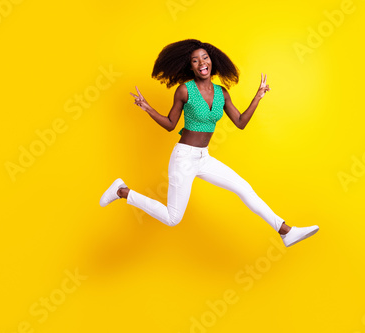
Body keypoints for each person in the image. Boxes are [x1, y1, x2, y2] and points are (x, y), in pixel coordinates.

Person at [100, 39, 319, 247]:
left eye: (205, 58)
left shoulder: (221, 93)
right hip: (184, 158)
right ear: (191, 67)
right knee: (172, 218)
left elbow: (240, 122)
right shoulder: (185, 90)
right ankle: (122, 191)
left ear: (212, 61)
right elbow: (169, 124)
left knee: (244, 189)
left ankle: (286, 231)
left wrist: (258, 96)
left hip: (204, 158)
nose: (201, 63)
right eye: (195, 60)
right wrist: (147, 108)